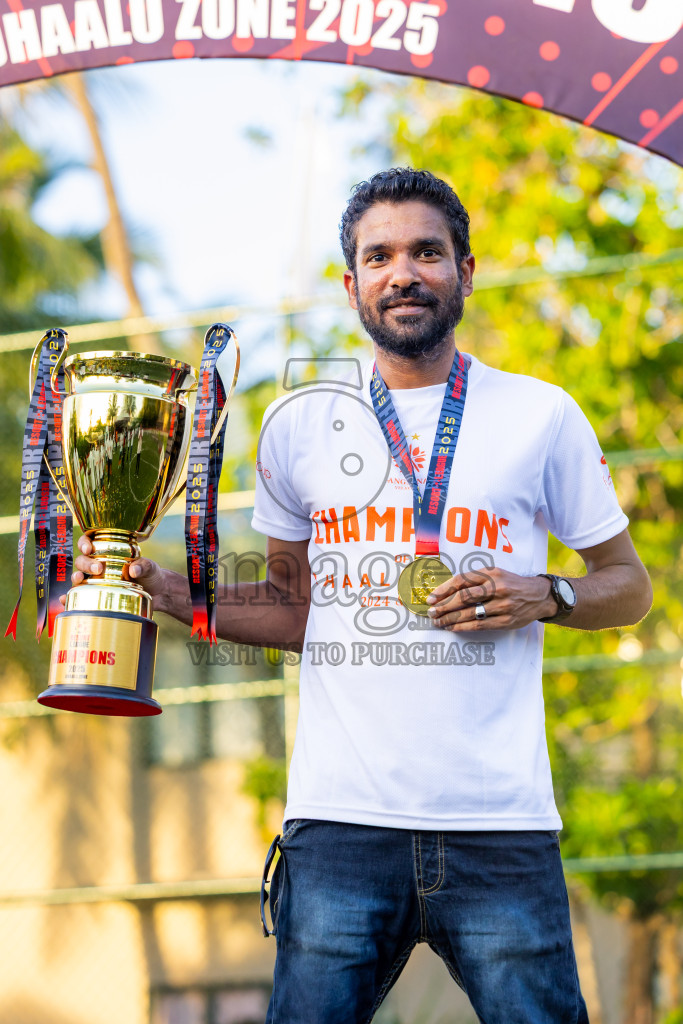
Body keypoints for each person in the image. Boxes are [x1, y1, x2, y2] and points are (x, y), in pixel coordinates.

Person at [72, 168, 652, 1023]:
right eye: (378, 256)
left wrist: (546, 592)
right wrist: (162, 587)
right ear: (351, 285)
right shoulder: (299, 421)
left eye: (426, 251)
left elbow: (628, 586)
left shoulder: (543, 413)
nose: (402, 272)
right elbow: (292, 608)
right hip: (339, 826)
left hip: (499, 825)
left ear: (465, 269)